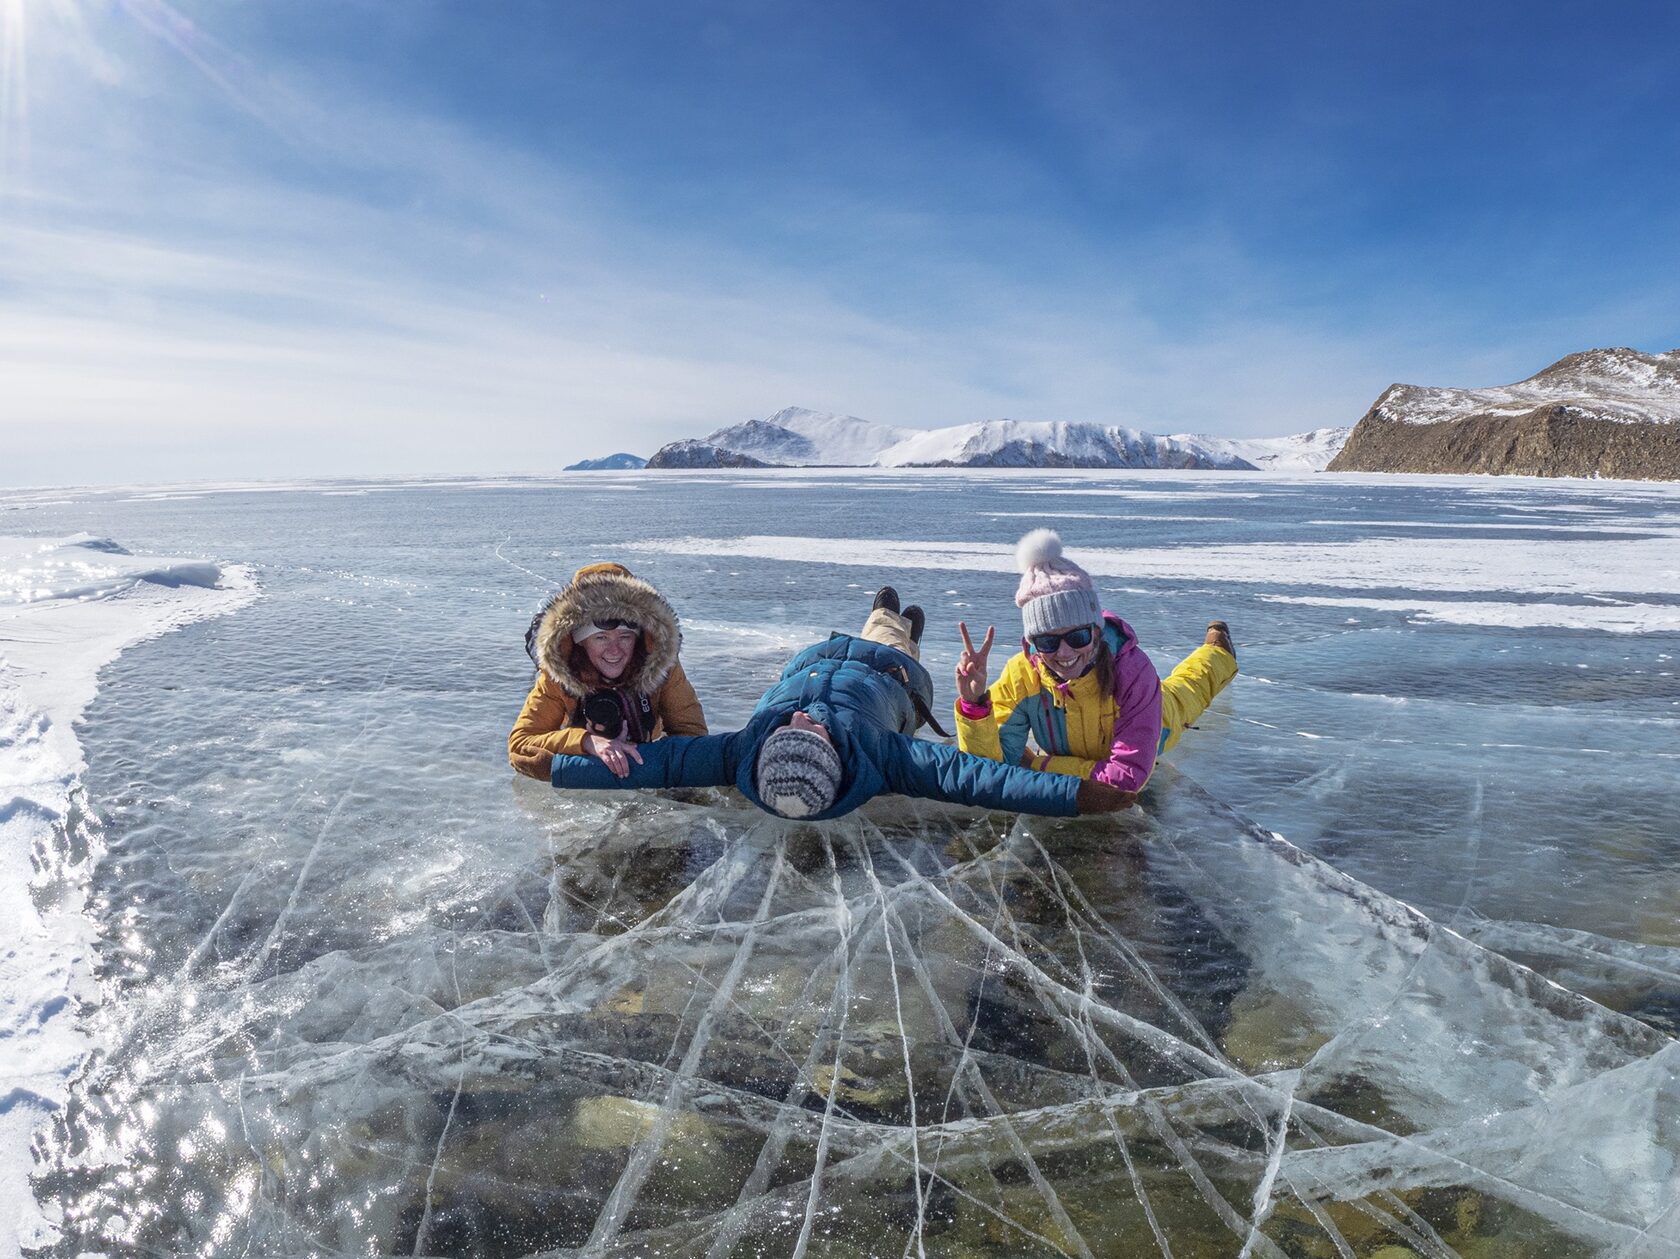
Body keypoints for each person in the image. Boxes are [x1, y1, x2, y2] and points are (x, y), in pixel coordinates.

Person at [547, 586, 1136, 820]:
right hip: (892, 675)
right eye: (810, 734)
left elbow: (663, 763)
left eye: (789, 730)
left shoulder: (743, 753)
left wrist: (564, 762)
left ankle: (886, 612)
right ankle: (901, 622)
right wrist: (1083, 796)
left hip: (813, 659)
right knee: (889, 635)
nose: (800, 720)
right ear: (831, 755)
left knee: (867, 630)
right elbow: (973, 777)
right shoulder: (882, 755)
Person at [954, 529, 1236, 793]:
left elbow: (1127, 777)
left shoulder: (1133, 673)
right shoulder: (1022, 675)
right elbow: (992, 769)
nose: (1064, 653)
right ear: (1032, 644)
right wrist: (975, 705)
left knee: (1187, 690)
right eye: (1048, 642)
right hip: (1088, 757)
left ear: (1096, 631)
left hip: (1157, 718)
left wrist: (1040, 765)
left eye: (1077, 637)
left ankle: (1218, 650)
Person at [508, 562, 707, 781]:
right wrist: (586, 742)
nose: (614, 651)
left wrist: (647, 762)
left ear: (639, 639)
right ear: (580, 641)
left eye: (625, 637)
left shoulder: (663, 670)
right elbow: (520, 746)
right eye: (600, 638)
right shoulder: (558, 676)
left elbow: (692, 736)